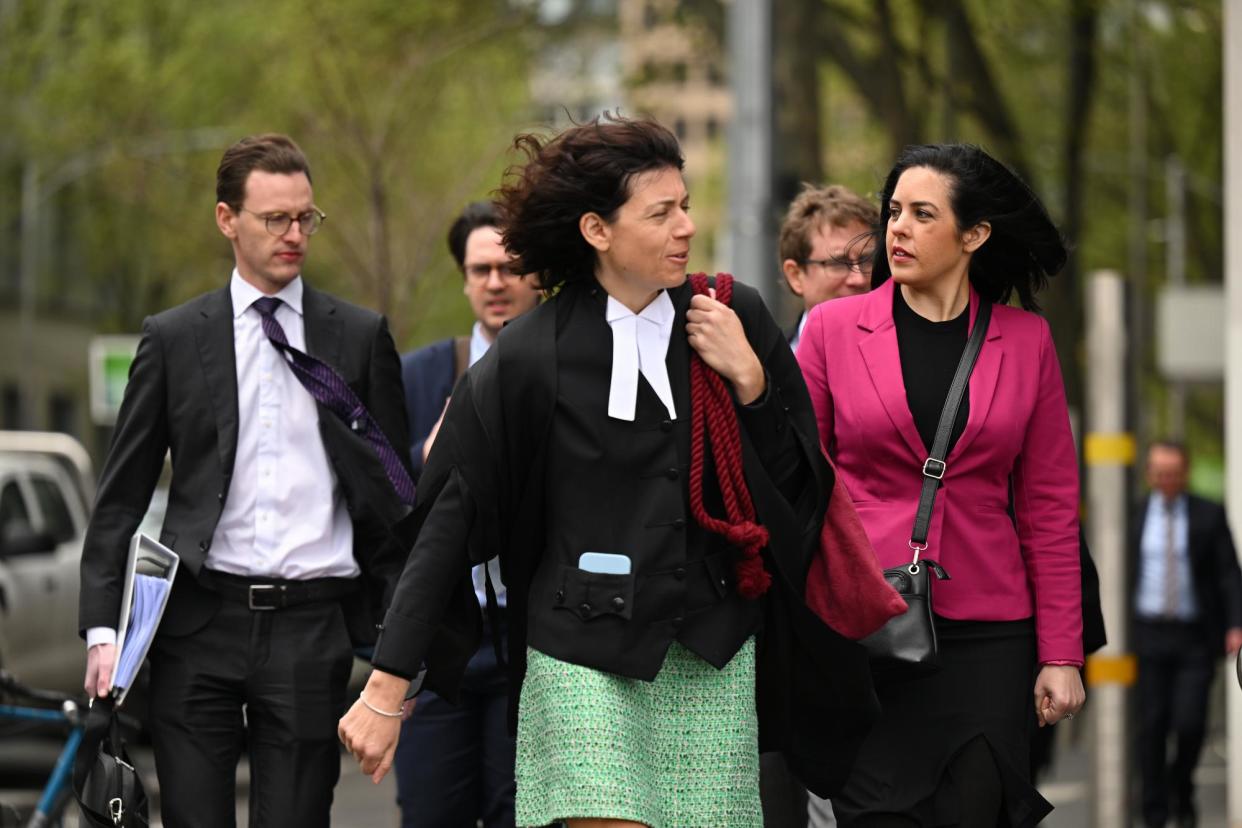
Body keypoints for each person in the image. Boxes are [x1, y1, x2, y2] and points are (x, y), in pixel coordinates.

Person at [339, 114, 880, 828]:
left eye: (685, 205)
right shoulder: (531, 356)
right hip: (578, 652)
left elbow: (797, 490)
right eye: (661, 213)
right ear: (597, 230)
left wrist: (751, 384)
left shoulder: (731, 315)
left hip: (710, 652)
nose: (685, 226)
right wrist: (386, 685)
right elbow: (448, 519)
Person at [78, 134, 414, 827]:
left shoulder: (357, 336)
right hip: (197, 623)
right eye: (275, 220)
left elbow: (391, 504)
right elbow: (120, 500)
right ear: (227, 219)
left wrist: (399, 648)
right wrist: (100, 630)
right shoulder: (173, 338)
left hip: (312, 626)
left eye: (306, 219)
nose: (295, 235)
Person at [797, 143, 1086, 827]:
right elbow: (800, 479)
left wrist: (1062, 654)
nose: (896, 228)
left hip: (989, 642)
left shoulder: (1026, 342)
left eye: (922, 214)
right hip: (866, 630)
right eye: (893, 211)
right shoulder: (833, 331)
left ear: (974, 234)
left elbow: (1048, 510)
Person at [393, 201, 539, 827]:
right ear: (463, 278)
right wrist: (430, 451)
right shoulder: (421, 373)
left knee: (522, 812)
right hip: (441, 641)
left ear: (536, 276)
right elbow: (384, 498)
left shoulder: (560, 367)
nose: (495, 283)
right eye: (481, 269)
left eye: (509, 268)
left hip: (530, 644)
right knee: (431, 810)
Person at [1132, 440, 1242, 828]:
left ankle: (1183, 789)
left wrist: (1235, 625)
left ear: (1185, 473)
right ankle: (1154, 811)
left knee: (1191, 723)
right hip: (1147, 635)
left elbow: (1229, 574)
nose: (1167, 480)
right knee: (1152, 726)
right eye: (1160, 473)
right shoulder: (1134, 515)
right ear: (1149, 474)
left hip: (1195, 636)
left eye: (1174, 473)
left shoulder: (1208, 515)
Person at [778, 183, 878, 351]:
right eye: (838, 263)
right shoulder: (768, 367)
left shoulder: (906, 356)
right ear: (795, 275)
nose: (858, 279)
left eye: (868, 259)